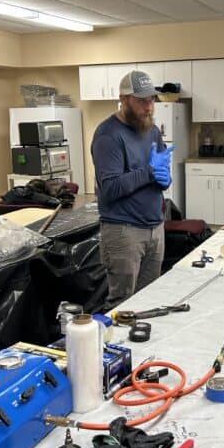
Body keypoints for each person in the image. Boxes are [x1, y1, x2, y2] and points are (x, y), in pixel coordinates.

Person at [91, 70, 173, 308]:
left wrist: (163, 178)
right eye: (141, 101)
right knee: (122, 304)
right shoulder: (108, 135)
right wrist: (149, 171)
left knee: (148, 300)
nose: (148, 107)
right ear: (124, 99)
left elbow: (162, 179)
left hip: (155, 228)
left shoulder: (152, 130)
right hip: (124, 232)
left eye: (151, 100)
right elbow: (110, 188)